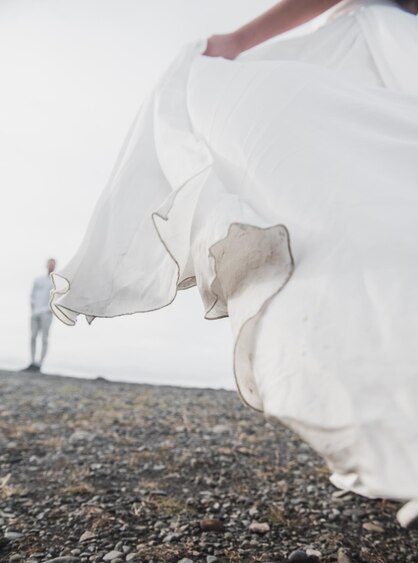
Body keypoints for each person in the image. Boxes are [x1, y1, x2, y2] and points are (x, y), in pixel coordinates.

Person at [49, 0, 418, 528]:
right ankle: (396, 429)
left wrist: (240, 40)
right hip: (398, 51)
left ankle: (394, 431)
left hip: (365, 49)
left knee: (333, 222)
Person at [25, 258, 56, 372]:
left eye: (53, 265)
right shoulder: (38, 280)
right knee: (33, 336)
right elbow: (32, 295)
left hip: (47, 313)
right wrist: (32, 307)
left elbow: (58, 297)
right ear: (46, 265)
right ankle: (32, 361)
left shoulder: (56, 281)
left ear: (55, 266)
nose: (51, 266)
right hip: (35, 312)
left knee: (44, 338)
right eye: (49, 264)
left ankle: (40, 363)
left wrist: (51, 310)